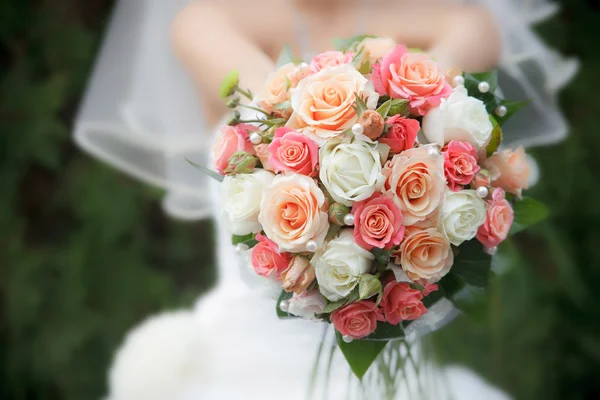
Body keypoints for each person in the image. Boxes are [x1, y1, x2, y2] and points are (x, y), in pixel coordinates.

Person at [75, 1, 577, 399]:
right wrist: (406, 92)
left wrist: (422, 101)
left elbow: (478, 29)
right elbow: (280, 104)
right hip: (250, 359)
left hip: (392, 360)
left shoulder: (421, 15)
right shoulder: (205, 20)